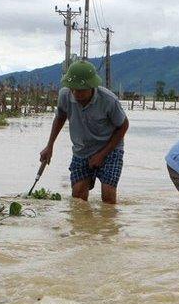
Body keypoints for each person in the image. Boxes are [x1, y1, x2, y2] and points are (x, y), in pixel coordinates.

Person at [39, 61, 129, 204]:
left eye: (80, 90)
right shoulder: (65, 95)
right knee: (78, 198)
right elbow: (60, 117)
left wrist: (101, 155)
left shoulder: (109, 100)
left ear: (91, 87)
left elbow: (123, 126)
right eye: (73, 89)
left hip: (110, 150)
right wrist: (50, 146)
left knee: (108, 197)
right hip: (82, 150)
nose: (75, 94)